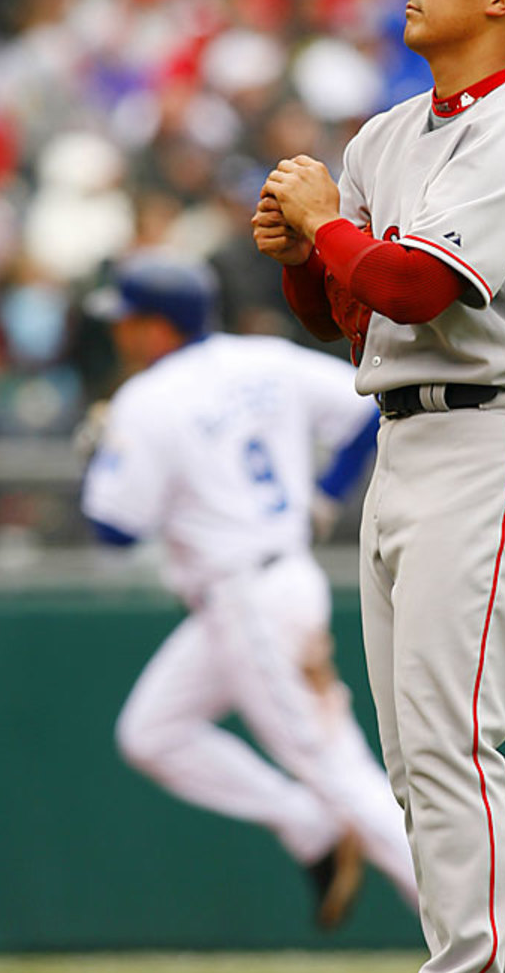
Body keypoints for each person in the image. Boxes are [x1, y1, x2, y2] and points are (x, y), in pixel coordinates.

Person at [253, 0, 505, 973]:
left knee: (453, 743)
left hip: (497, 436)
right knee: (414, 761)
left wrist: (330, 229)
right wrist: (303, 255)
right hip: (404, 439)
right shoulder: (390, 134)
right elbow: (356, 314)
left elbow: (418, 283)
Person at [80, 248, 418, 930]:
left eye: (127, 320)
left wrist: (98, 452)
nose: (117, 333)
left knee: (340, 769)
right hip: (257, 591)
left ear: (154, 328)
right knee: (152, 733)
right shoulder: (264, 359)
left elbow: (115, 529)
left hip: (250, 598)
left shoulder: (146, 400)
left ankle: (487, 932)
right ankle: (308, 827)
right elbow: (371, 407)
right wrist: (326, 493)